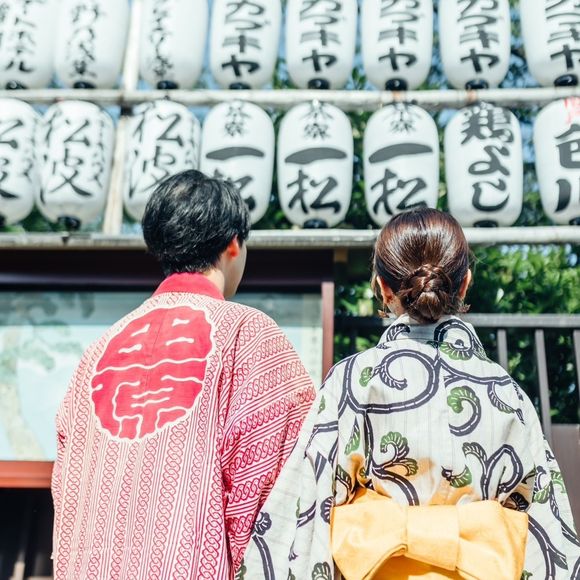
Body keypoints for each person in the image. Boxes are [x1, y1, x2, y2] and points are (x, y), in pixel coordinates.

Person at [239, 208, 580, 580]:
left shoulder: (354, 381)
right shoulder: (506, 392)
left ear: (383, 288)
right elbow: (549, 537)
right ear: (465, 283)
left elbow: (305, 510)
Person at [51, 170, 315, 579]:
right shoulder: (248, 335)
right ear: (233, 243)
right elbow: (272, 499)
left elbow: (66, 489)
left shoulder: (99, 349)